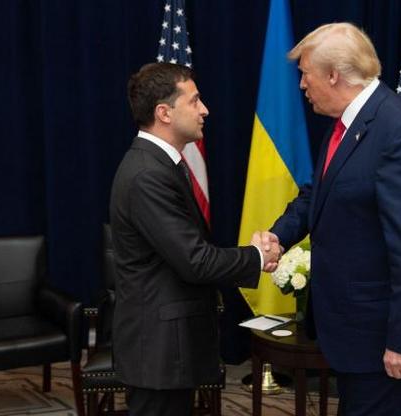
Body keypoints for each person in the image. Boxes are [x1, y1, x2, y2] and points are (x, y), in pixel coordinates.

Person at [262, 23, 401, 415]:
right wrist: (278, 236)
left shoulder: (397, 130)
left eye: (305, 73)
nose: (302, 84)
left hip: (386, 336)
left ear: (333, 75)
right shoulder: (348, 124)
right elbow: (318, 192)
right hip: (356, 334)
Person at [109, 62, 281, 416]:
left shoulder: (160, 165)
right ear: (164, 113)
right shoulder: (147, 175)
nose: (205, 110)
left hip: (168, 347)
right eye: (194, 101)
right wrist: (257, 257)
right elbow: (196, 261)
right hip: (157, 351)